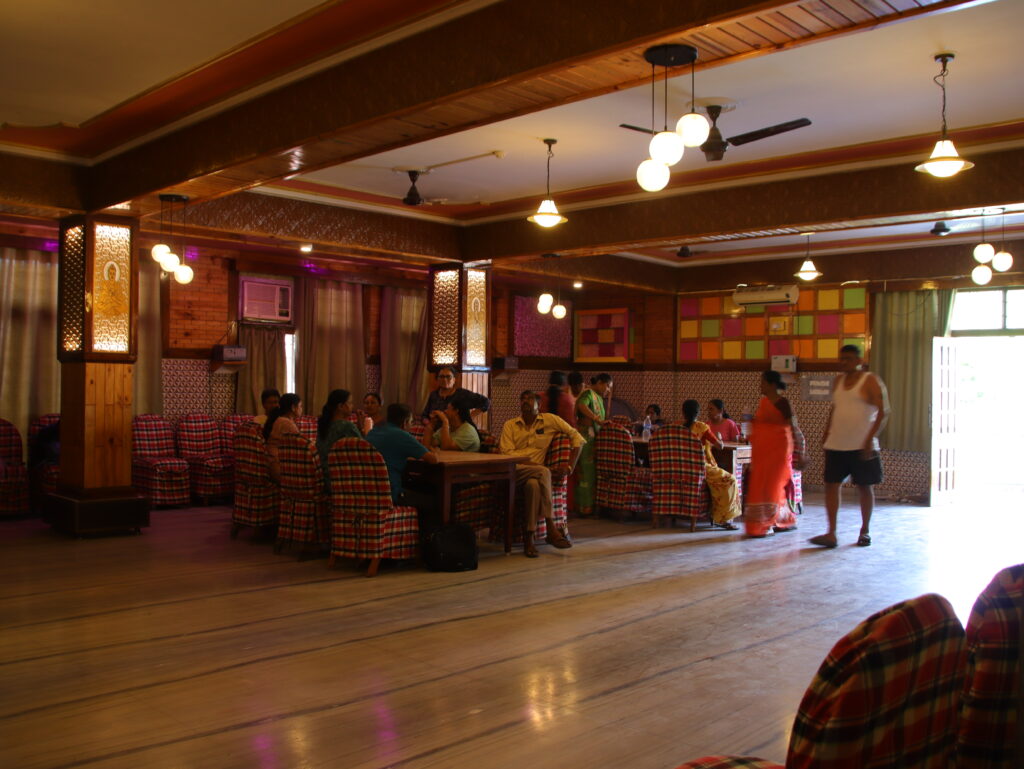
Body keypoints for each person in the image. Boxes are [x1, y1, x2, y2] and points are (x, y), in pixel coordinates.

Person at [811, 344, 889, 549]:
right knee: (831, 485)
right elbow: (836, 408)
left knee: (864, 487)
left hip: (862, 444)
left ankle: (865, 531)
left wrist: (870, 439)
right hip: (837, 443)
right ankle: (831, 532)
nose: (843, 362)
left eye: (848, 358)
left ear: (858, 360)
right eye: (841, 358)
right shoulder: (838, 381)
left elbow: (883, 411)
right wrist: (827, 432)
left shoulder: (870, 380)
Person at [499, 390, 585, 557]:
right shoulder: (510, 425)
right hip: (514, 471)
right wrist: (532, 464)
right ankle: (551, 526)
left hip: (535, 476)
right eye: (522, 398)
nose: (525, 401)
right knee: (543, 470)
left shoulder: (550, 420)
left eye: (530, 398)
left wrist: (569, 467)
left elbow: (578, 438)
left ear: (539, 404)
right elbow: (507, 455)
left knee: (533, 486)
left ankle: (529, 539)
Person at [744, 371, 797, 537]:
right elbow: (761, 426)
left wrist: (799, 451)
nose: (760, 386)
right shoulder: (763, 402)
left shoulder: (783, 403)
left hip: (778, 452)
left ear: (772, 385)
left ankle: (769, 522)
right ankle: (776, 520)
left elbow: (790, 427)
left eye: (763, 383)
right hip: (763, 454)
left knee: (773, 486)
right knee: (762, 486)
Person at [365, 403, 439, 516]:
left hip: (368, 492)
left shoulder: (372, 433)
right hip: (391, 494)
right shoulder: (402, 435)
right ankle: (429, 533)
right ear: (404, 423)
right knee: (434, 502)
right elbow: (432, 459)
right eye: (411, 422)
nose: (411, 426)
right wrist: (433, 451)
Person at [681, 399, 741, 529]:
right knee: (730, 480)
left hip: (682, 468)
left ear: (683, 413)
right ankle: (724, 518)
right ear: (698, 412)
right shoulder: (702, 427)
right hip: (700, 467)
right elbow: (719, 446)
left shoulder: (677, 427)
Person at [574, 373, 612, 516]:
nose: (608, 390)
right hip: (585, 437)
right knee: (585, 472)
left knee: (591, 472)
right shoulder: (588, 393)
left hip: (593, 439)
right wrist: (597, 419)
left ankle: (589, 505)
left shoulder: (599, 398)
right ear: (600, 382)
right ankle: (584, 506)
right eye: (608, 386)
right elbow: (582, 406)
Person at [316, 389, 362, 488]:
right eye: (350, 403)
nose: (352, 406)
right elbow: (363, 452)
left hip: (323, 478)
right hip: (342, 480)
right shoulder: (346, 426)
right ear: (340, 406)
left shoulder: (323, 425)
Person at [420, 365, 490, 423]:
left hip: (457, 432)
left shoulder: (462, 394)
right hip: (436, 433)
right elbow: (424, 415)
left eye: (448, 377)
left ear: (454, 380)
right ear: (437, 379)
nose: (444, 379)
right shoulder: (434, 395)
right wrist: (427, 423)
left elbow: (486, 402)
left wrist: (471, 417)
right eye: (441, 376)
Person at [263, 393, 302, 481]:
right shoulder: (286, 423)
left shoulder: (280, 420)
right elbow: (301, 445)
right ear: (293, 408)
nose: (301, 409)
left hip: (272, 464)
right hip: (278, 468)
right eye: (300, 406)